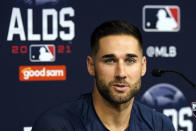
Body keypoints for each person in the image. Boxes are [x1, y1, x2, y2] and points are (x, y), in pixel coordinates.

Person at [32, 20, 175, 131]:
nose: (121, 73)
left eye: (130, 61)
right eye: (110, 61)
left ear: (143, 66)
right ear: (91, 66)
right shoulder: (56, 126)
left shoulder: (160, 126)